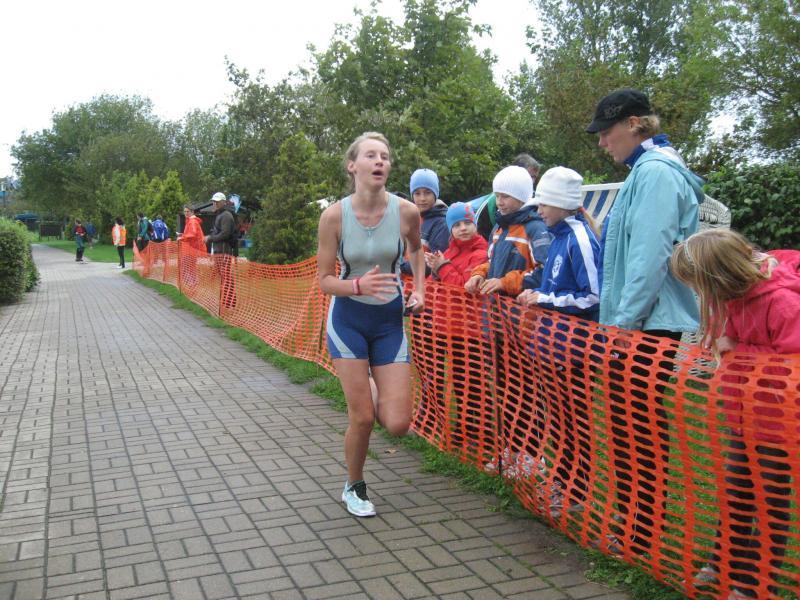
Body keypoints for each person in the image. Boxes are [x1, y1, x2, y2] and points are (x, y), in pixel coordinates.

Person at [586, 88, 705, 555]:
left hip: (645, 326)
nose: (602, 142)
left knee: (639, 430)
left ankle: (641, 532)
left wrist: (623, 323)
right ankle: (632, 517)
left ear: (634, 124)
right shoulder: (646, 170)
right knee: (629, 426)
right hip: (639, 322)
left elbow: (649, 257)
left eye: (606, 131)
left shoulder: (655, 173)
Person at [671, 229, 800, 598]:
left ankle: (754, 581)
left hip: (777, 422)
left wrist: (737, 349)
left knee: (769, 500)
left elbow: (793, 364)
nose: (699, 294)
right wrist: (724, 343)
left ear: (719, 276)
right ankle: (723, 560)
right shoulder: (733, 297)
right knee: (736, 492)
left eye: (699, 286)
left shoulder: (783, 303)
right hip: (743, 415)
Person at [317, 132, 425, 518]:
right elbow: (325, 280)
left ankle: (370, 382)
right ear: (353, 166)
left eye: (385, 156)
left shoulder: (406, 212)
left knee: (397, 424)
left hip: (389, 322)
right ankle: (354, 485)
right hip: (347, 319)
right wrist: (356, 286)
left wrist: (419, 289)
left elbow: (416, 249)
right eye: (371, 155)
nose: (380, 161)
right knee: (362, 417)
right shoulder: (333, 216)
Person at [515, 166, 601, 519]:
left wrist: (546, 300)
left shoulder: (580, 239)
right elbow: (554, 286)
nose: (539, 211)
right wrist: (537, 293)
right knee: (561, 421)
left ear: (563, 204)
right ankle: (563, 482)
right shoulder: (558, 237)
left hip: (573, 351)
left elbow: (592, 296)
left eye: (544, 204)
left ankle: (576, 491)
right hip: (551, 348)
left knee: (575, 423)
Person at [464, 165, 551, 297]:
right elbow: (493, 262)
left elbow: (545, 271)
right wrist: (480, 274)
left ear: (521, 197)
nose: (499, 202)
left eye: (505, 196)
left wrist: (504, 283)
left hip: (521, 306)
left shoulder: (535, 228)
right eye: (497, 196)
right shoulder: (499, 227)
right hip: (494, 305)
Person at [426, 201, 488, 285]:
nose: (463, 228)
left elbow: (465, 288)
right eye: (457, 225)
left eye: (467, 223)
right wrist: (435, 270)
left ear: (475, 225)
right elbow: (430, 285)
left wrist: (441, 267)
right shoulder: (448, 252)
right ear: (451, 230)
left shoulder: (481, 255)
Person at [401, 168, 448, 275]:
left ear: (435, 194)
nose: (422, 198)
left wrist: (401, 266)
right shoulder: (411, 218)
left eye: (427, 193)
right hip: (408, 277)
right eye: (417, 193)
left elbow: (432, 262)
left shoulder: (442, 223)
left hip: (426, 282)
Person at [204, 193, 238, 309]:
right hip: (219, 250)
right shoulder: (220, 214)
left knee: (226, 276)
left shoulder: (226, 216)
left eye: (217, 201)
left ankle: (229, 302)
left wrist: (210, 238)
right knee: (223, 276)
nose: (215, 203)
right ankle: (226, 301)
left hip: (224, 249)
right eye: (214, 201)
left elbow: (225, 234)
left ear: (224, 202)